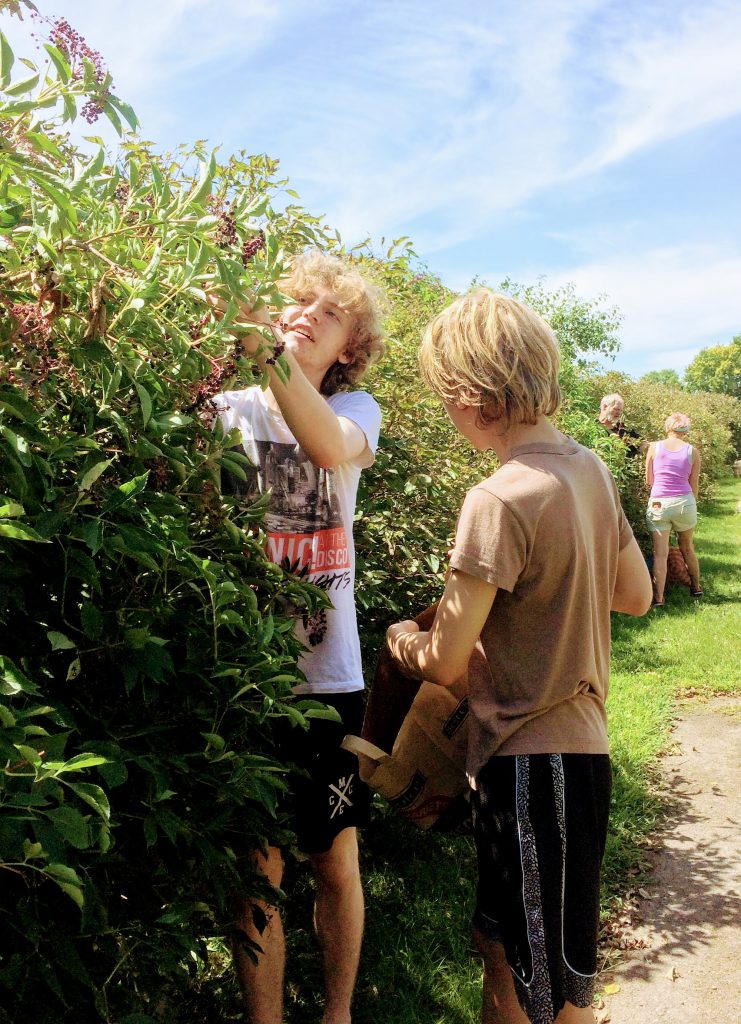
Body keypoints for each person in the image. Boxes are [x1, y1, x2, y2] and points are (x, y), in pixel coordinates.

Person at [385, 290, 652, 1024]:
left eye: (444, 396)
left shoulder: (498, 498)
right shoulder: (590, 470)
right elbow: (634, 594)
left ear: (471, 395)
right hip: (577, 755)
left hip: (532, 772)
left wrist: (397, 642)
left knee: (553, 991)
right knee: (499, 945)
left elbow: (442, 659)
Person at [212, 250, 385, 1024]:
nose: (306, 314)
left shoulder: (358, 413)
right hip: (242, 673)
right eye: (297, 302)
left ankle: (337, 1014)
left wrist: (269, 356)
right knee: (257, 866)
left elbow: (326, 449)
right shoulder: (224, 411)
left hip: (328, 676)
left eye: (329, 310)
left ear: (349, 346)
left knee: (333, 855)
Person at [645, 412, 702, 606]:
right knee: (687, 547)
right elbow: (693, 484)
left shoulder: (654, 447)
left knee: (660, 554)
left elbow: (649, 480)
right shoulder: (693, 451)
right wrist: (689, 503)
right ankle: (696, 588)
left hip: (659, 502)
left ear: (668, 427)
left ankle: (659, 598)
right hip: (684, 502)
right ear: (686, 430)